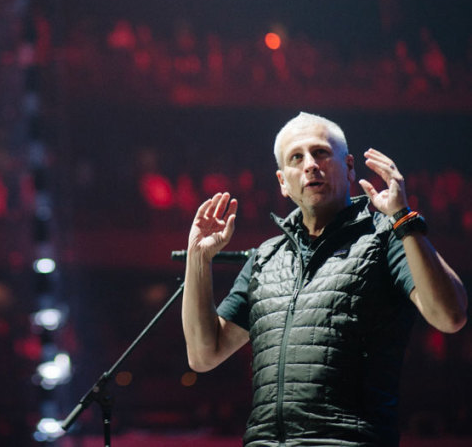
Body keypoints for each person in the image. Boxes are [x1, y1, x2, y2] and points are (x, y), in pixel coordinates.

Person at [181, 112, 467, 446]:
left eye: (321, 153)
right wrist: (198, 258)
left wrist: (403, 219)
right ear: (282, 182)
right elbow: (203, 354)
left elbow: (450, 316)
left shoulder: (386, 237)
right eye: (296, 157)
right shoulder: (265, 258)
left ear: (348, 167)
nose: (310, 165)